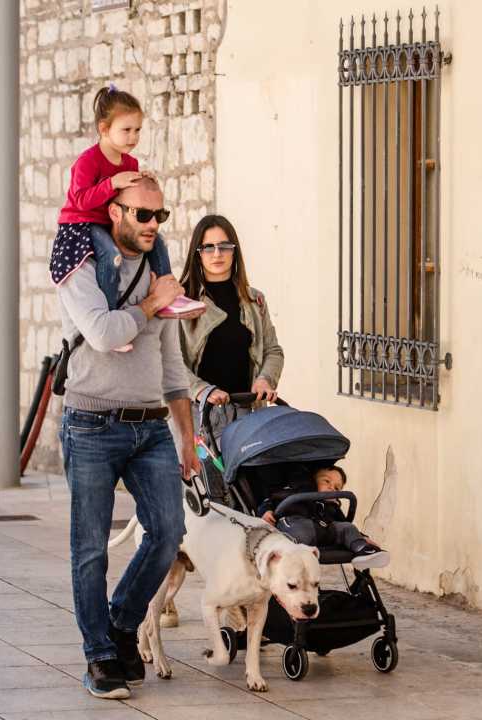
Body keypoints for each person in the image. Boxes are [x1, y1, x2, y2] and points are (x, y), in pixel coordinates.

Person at [56, 175, 201, 700]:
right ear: (113, 211)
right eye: (143, 215)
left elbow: (171, 362)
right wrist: (150, 304)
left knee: (168, 532)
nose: (153, 225)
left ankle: (121, 624)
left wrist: (187, 438)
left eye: (160, 216)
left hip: (150, 427)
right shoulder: (81, 269)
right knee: (90, 549)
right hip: (91, 423)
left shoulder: (157, 270)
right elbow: (102, 333)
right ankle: (99, 656)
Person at [165, 214, 284, 630]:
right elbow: (174, 366)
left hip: (249, 417)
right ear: (198, 255)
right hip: (201, 419)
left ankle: (239, 601)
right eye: (209, 247)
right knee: (205, 509)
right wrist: (203, 390)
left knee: (245, 504)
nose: (218, 255)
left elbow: (273, 349)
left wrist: (267, 377)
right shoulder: (184, 306)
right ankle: (164, 594)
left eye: (225, 246)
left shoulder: (255, 300)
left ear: (235, 250)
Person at [50, 84, 203, 353]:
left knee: (159, 240)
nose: (133, 137)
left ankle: (169, 292)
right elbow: (81, 199)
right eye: (126, 130)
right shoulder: (89, 161)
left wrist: (146, 180)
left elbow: (131, 194)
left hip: (108, 220)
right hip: (81, 224)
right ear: (104, 130)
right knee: (110, 253)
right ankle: (111, 316)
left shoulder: (130, 163)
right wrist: (111, 184)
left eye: (138, 130)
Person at [259, 465, 391, 572]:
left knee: (347, 527)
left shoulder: (331, 506)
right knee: (302, 529)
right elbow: (270, 500)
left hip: (325, 532)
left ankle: (362, 550)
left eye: (336, 488)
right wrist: (266, 511)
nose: (331, 488)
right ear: (312, 481)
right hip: (296, 525)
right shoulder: (291, 493)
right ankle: (296, 560)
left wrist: (361, 536)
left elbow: (343, 522)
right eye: (327, 481)